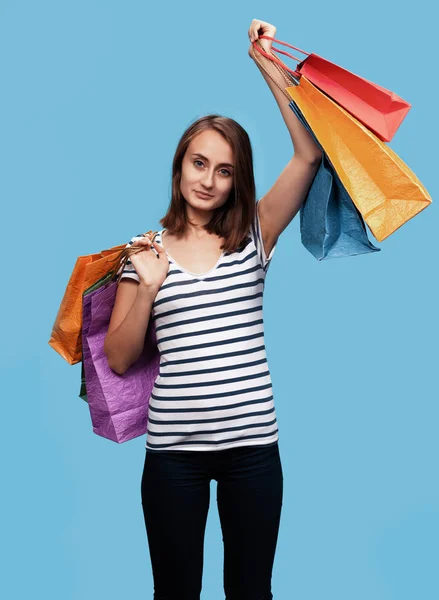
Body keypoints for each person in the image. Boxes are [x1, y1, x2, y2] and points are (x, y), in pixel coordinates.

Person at [104, 19, 322, 600]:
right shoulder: (144, 253)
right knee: (175, 594)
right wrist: (146, 287)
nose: (208, 179)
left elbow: (309, 154)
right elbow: (120, 360)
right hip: (174, 456)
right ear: (180, 166)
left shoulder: (256, 232)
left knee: (251, 592)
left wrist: (266, 61)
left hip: (254, 452)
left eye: (224, 170)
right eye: (199, 163)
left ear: (237, 181)